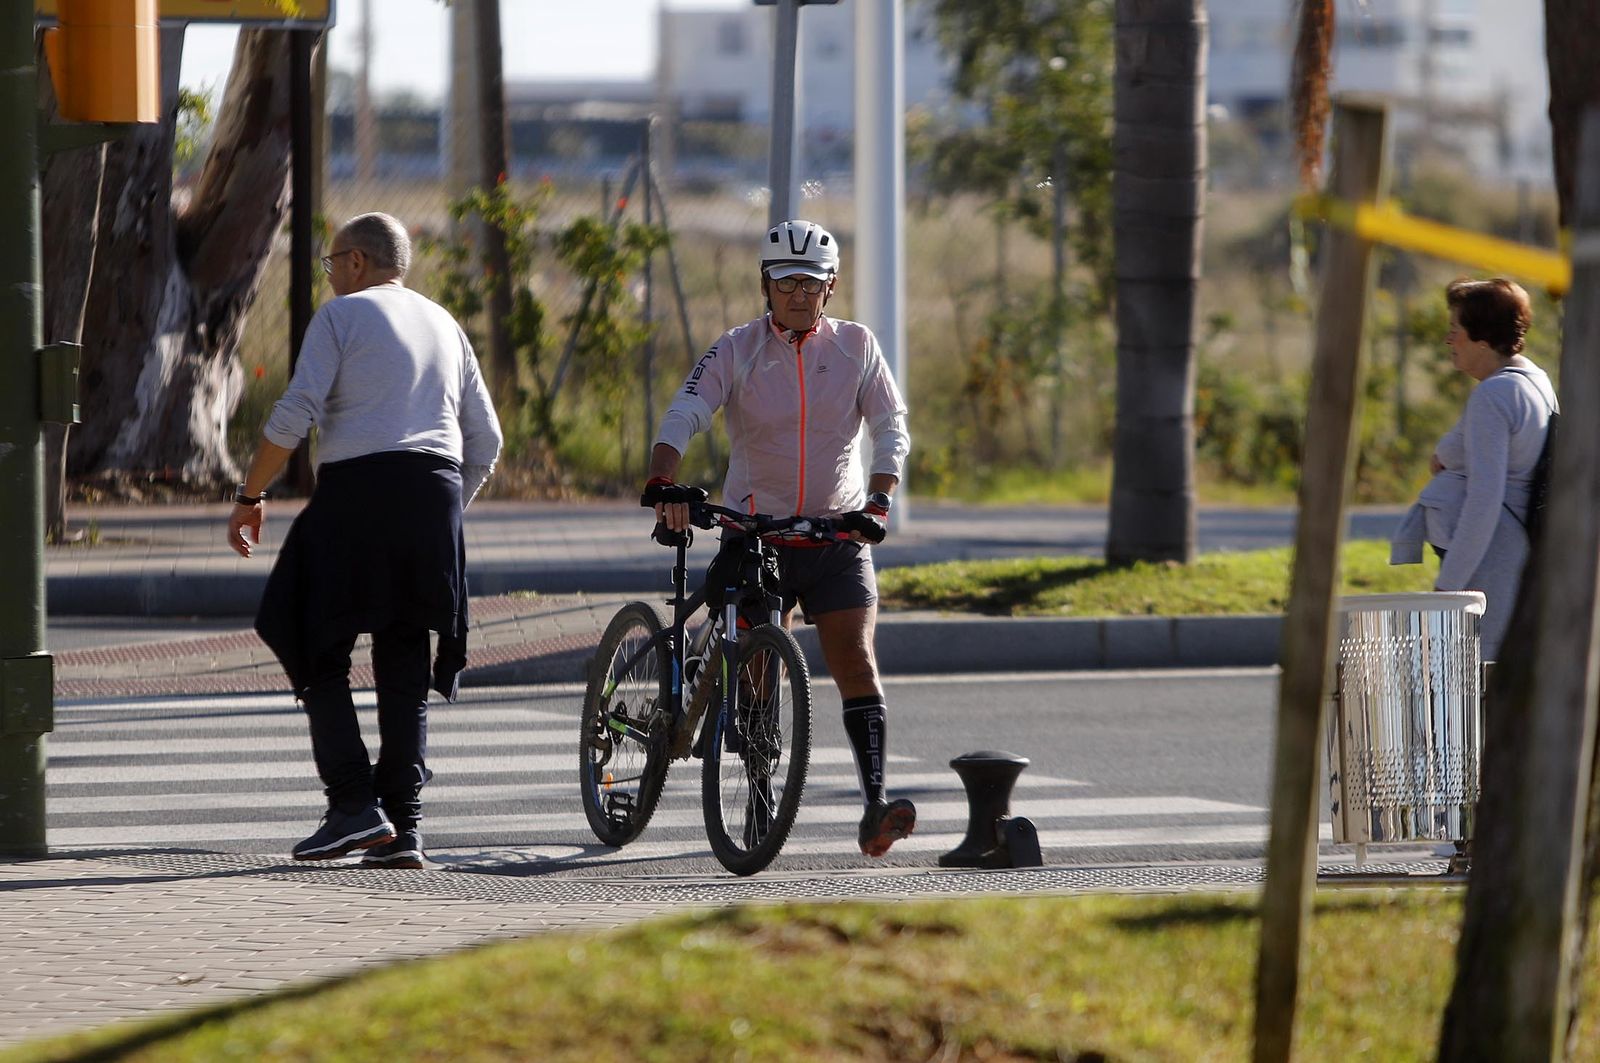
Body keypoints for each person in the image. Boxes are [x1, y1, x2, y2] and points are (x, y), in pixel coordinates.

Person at [226, 212, 503, 869]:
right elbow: (486, 441)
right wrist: (444, 514)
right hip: (434, 495)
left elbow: (296, 411)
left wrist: (250, 495)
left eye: (328, 264)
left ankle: (352, 801)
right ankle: (403, 827)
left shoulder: (341, 317)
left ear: (355, 262)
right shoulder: (445, 323)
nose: (328, 277)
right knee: (404, 659)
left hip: (358, 491)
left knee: (304, 629)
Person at [642, 218, 917, 858]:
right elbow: (686, 410)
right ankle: (760, 791)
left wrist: (879, 500)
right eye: (785, 282)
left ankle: (875, 802)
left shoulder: (856, 346)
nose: (798, 294)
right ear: (765, 285)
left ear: (831, 287)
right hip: (754, 530)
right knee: (761, 667)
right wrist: (664, 479)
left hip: (834, 530)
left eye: (811, 283)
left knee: (856, 660)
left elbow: (890, 425)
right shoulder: (737, 348)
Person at [1391, 277, 1557, 660]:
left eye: (1455, 330)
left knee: (1474, 673)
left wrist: (1450, 587)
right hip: (1511, 549)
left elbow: (1484, 498)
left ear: (1482, 339)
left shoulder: (1494, 396)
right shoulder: (1533, 381)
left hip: (1491, 557)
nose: (1449, 341)